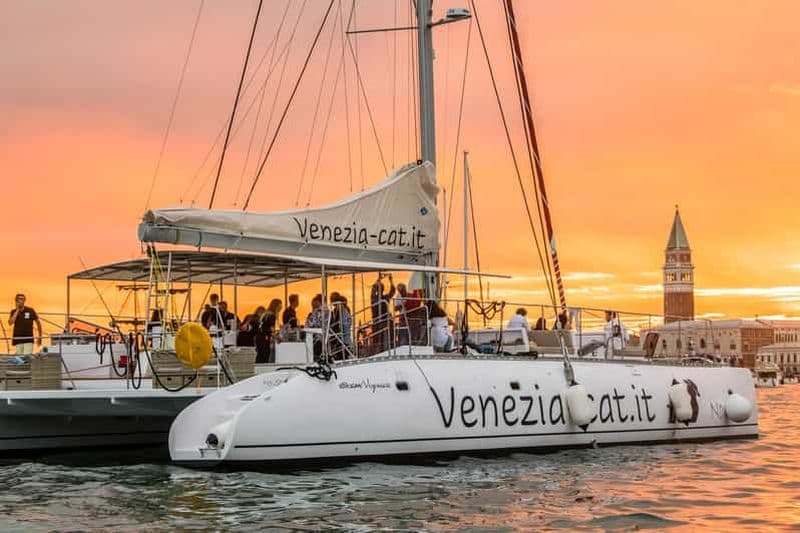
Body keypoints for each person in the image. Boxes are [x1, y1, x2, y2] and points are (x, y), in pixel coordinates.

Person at [257, 299, 282, 364]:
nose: (280, 309)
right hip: (264, 338)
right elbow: (271, 329)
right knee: (264, 356)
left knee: (260, 356)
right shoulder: (272, 315)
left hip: (259, 337)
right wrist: (277, 337)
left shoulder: (266, 314)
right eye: (280, 307)